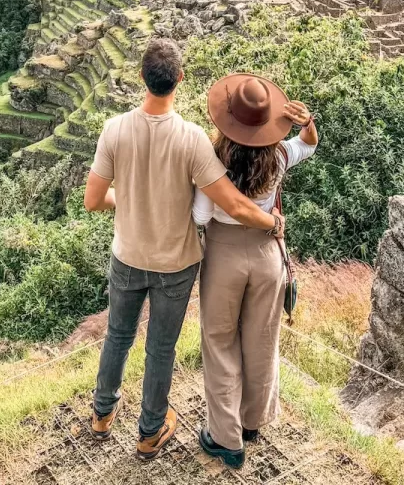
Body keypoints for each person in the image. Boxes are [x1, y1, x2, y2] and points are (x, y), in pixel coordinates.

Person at [83, 39, 286, 462]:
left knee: (118, 335)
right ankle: (150, 432)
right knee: (160, 347)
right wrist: (272, 223)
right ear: (180, 79)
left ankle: (102, 415)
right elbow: (230, 203)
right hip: (175, 263)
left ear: (142, 77)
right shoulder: (193, 139)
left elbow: (94, 200)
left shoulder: (114, 129)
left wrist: (129, 199)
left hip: (127, 254)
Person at [192, 74, 318, 468]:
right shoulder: (279, 155)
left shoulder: (213, 158)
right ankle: (251, 422)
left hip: (224, 254)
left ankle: (225, 438)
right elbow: (308, 145)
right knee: (262, 338)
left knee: (219, 341)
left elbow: (200, 214)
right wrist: (307, 121)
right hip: (267, 255)